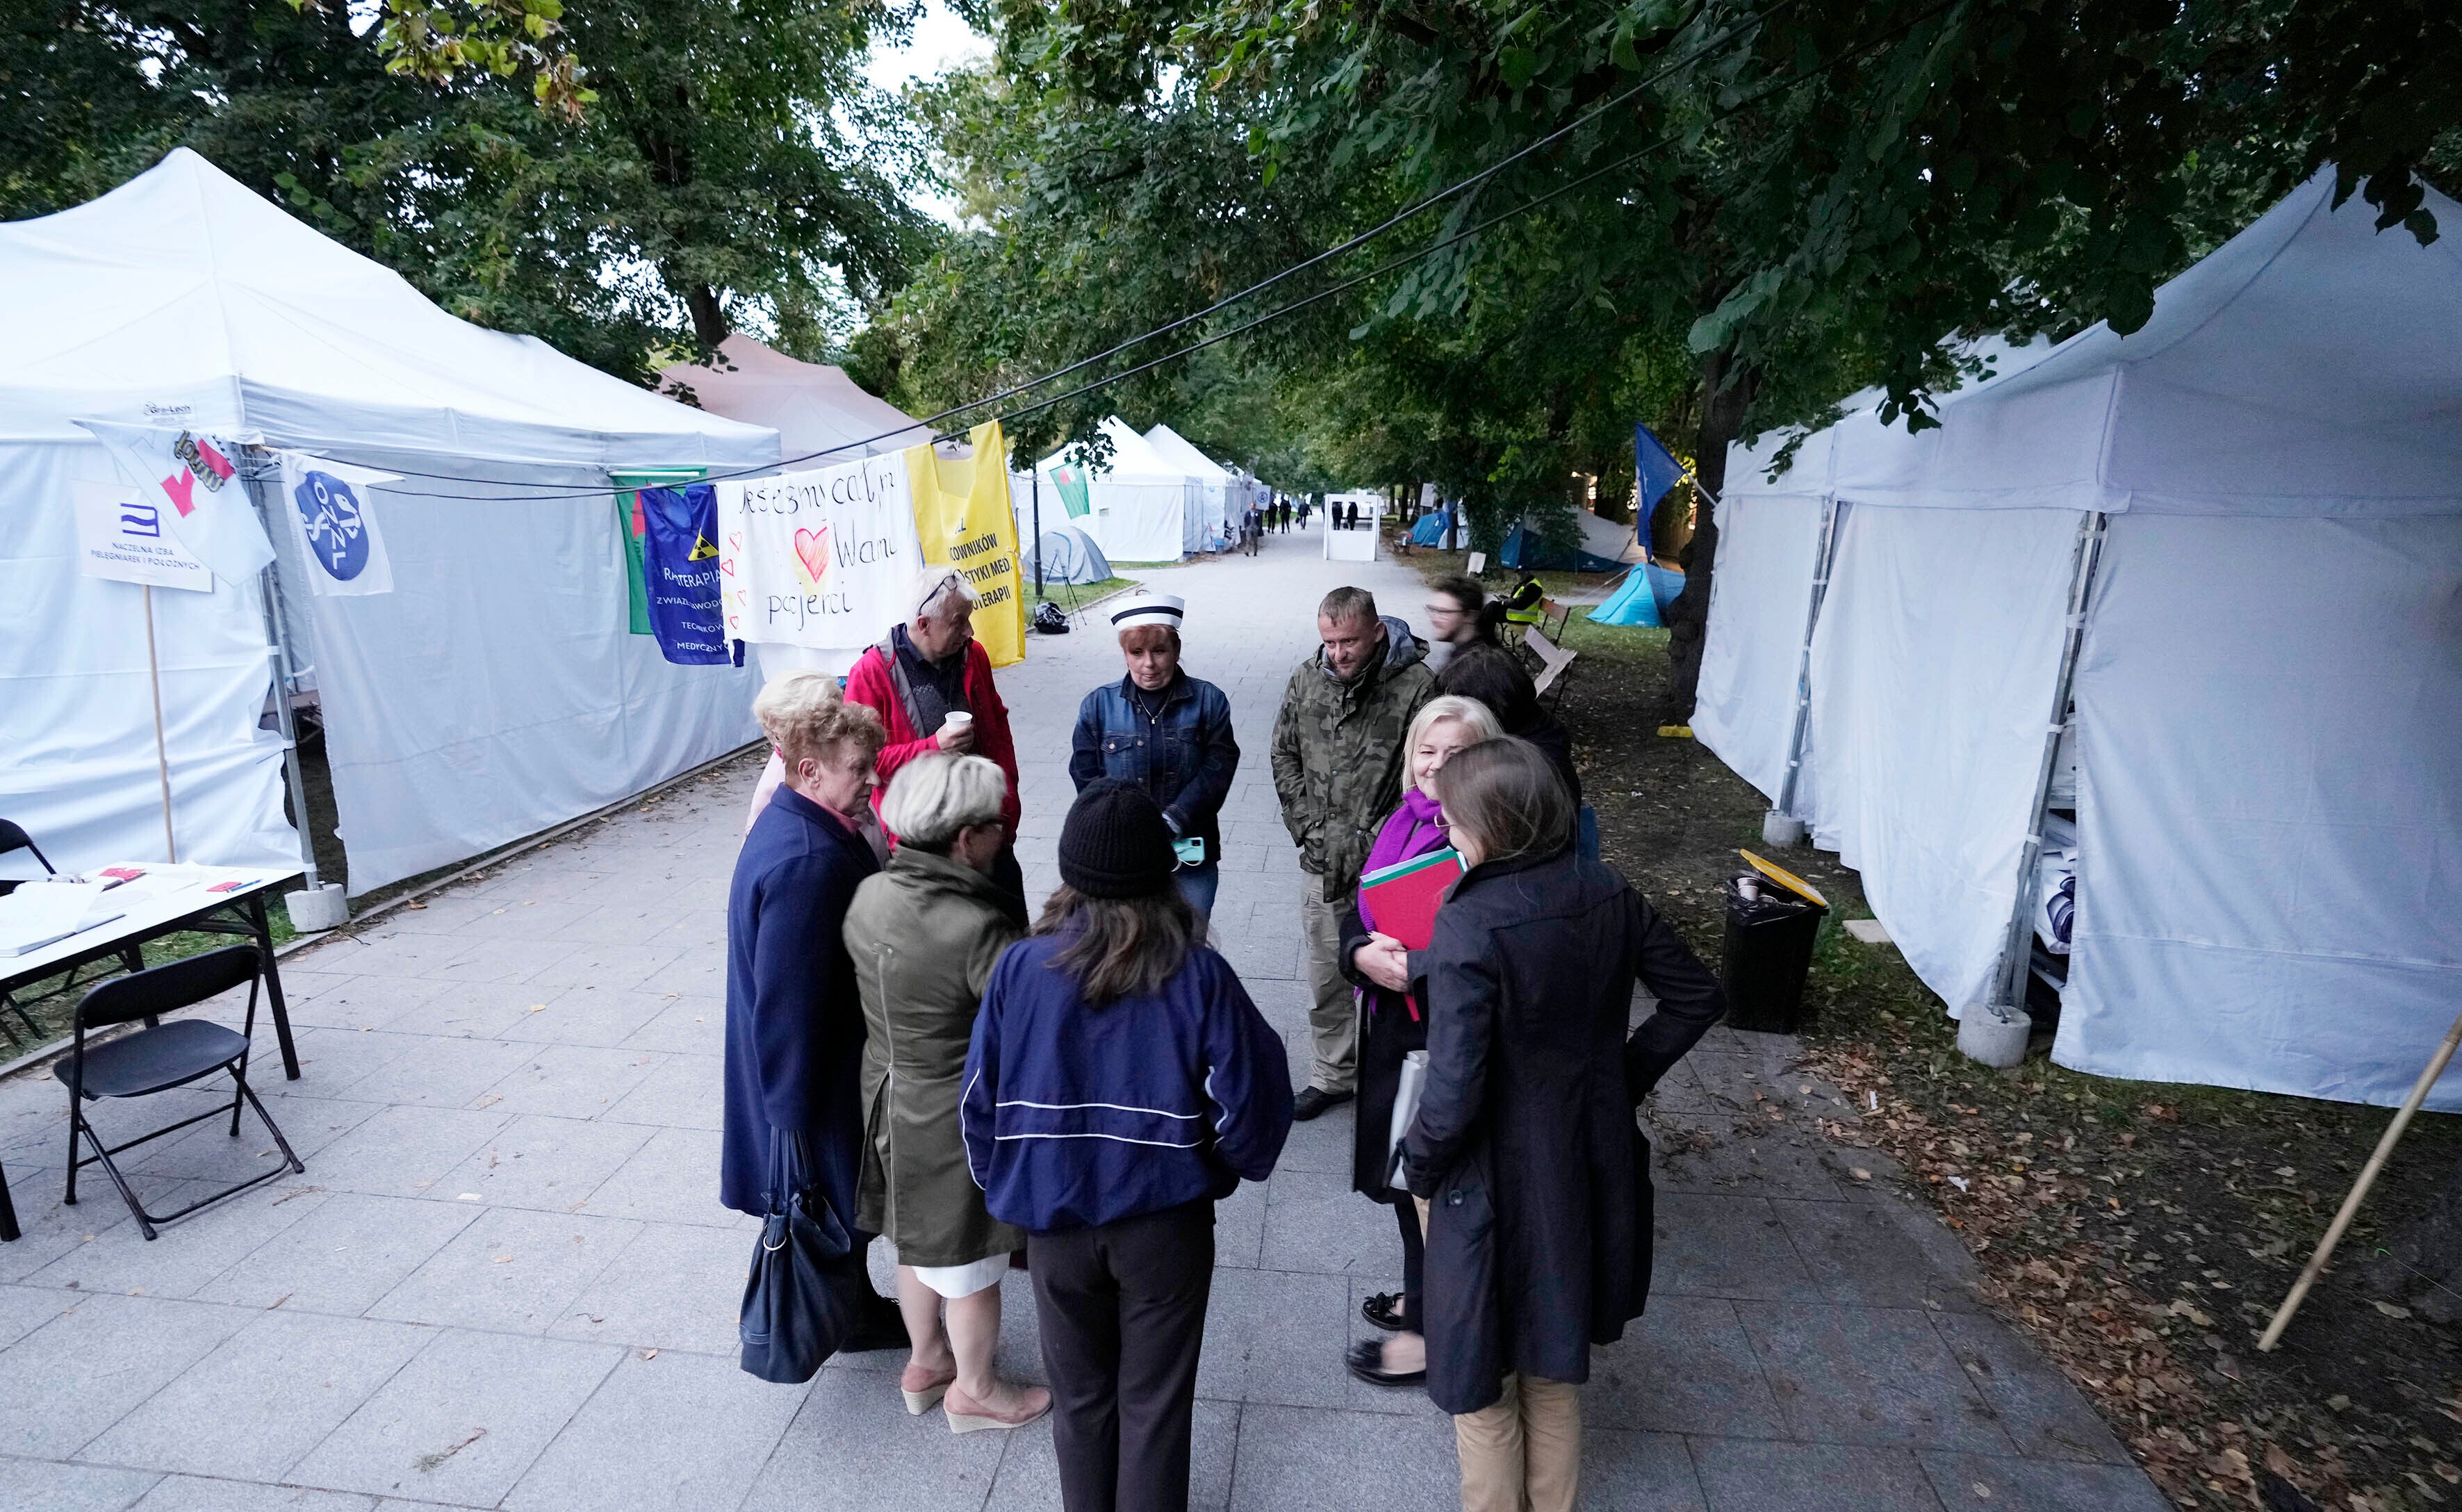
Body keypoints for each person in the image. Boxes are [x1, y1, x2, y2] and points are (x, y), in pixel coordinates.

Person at [1395, 739, 1725, 1512]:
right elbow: (1696, 998)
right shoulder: (1608, 887)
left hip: (1491, 1176)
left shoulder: (1471, 921)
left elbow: (1455, 1082)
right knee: (1554, 1358)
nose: (1446, 833)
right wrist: (1619, 1078)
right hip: (1586, 1156)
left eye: (1453, 820)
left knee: (1482, 1380)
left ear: (1495, 822)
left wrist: (1418, 1164)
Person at [963, 781, 1294, 1512]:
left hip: (1052, 1226)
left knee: (1081, 1401)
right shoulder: (1199, 973)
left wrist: (1007, 1185)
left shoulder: (1020, 969)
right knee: (1155, 1403)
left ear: (1069, 872)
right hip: (1164, 1229)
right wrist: (1220, 1165)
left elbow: (977, 1104)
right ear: (1162, 872)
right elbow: (1258, 1097)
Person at [844, 753, 1051, 1431]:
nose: (1005, 832)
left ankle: (925, 1360)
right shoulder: (975, 925)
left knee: (911, 1242)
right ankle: (977, 1390)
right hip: (952, 1114)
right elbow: (1024, 1024)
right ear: (966, 838)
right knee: (969, 1262)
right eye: (997, 823)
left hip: (886, 1096)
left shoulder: (870, 893)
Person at [721, 671, 907, 1351]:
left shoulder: (801, 821)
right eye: (858, 769)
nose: (869, 781)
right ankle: (841, 1316)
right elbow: (791, 1006)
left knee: (839, 1196)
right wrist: (789, 1126)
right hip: (816, 1076)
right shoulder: (807, 859)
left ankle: (849, 1307)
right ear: (809, 770)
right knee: (828, 1192)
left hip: (816, 1067)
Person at [1338, 696, 1501, 1388]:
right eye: (1426, 751)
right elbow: (1363, 904)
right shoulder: (1404, 821)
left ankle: (1428, 1333)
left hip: (1434, 1038)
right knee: (1405, 1183)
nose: (1436, 766)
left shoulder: (1480, 838)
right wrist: (1358, 957)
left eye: (1456, 754)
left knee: (1422, 1181)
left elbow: (1486, 954)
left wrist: (1412, 968)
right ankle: (1424, 1294)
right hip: (1392, 1024)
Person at [1270, 586, 1435, 1120]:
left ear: (1377, 633)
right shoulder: (1306, 678)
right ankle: (1334, 1075)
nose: (1338, 654)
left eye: (1350, 642)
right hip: (1321, 860)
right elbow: (1283, 752)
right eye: (1330, 642)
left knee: (1393, 974)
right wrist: (1306, 827)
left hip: (1391, 867)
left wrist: (1395, 839)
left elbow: (1427, 774)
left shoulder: (1417, 687)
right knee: (1326, 974)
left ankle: (1396, 1074)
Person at [845, 566, 1026, 922]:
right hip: (920, 844)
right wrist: (932, 747)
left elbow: (998, 734)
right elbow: (861, 762)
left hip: (984, 830)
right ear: (924, 624)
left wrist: (1009, 807)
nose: (970, 631)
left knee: (1009, 928)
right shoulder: (872, 672)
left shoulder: (973, 656)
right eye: (959, 622)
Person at [1069, 592, 1240, 918]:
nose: (1149, 664)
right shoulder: (1098, 706)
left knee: (1188, 952)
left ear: (1176, 650)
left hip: (1190, 857)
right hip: (1123, 857)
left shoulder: (1209, 702)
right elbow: (1086, 778)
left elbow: (1217, 771)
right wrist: (1129, 824)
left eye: (1159, 651)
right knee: (1127, 952)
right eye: (1137, 652)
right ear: (1125, 654)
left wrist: (1174, 819)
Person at [1428, 580, 1583, 809]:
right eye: (1432, 610)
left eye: (1444, 611)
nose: (1434, 618)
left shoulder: (1527, 776)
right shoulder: (1476, 665)